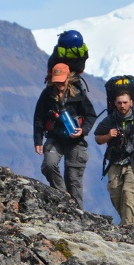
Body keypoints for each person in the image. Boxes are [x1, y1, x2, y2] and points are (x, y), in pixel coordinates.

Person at [33, 62, 96, 209]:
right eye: (57, 81)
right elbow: (38, 117)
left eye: (62, 80)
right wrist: (38, 140)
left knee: (73, 179)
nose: (60, 84)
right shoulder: (47, 94)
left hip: (75, 140)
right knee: (49, 164)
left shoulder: (78, 93)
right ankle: (63, 195)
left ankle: (78, 213)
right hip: (55, 138)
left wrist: (83, 130)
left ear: (68, 78)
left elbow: (91, 115)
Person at [94, 91, 134, 231]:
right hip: (115, 162)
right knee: (116, 194)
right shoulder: (110, 121)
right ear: (114, 103)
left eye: (125, 102)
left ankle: (127, 228)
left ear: (131, 103)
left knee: (129, 193)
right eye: (119, 103)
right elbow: (98, 138)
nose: (122, 105)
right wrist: (108, 136)